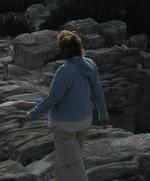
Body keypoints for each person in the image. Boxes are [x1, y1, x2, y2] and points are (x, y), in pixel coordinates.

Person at [25, 30, 109, 181]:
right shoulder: (91, 65)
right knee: (66, 160)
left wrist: (31, 115)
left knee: (72, 165)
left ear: (63, 50)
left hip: (64, 125)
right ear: (80, 46)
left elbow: (52, 99)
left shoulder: (64, 71)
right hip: (84, 121)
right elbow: (98, 92)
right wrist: (103, 115)